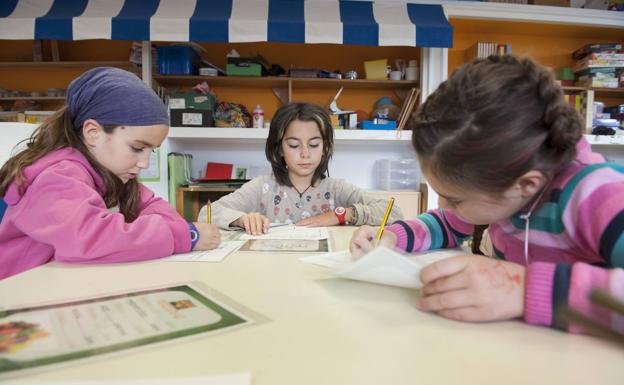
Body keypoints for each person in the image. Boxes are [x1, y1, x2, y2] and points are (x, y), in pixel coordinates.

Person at [350, 55, 624, 334]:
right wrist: (393, 236)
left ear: (526, 184)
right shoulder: (507, 189)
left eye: (455, 200)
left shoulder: (600, 195)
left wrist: (522, 290)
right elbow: (447, 224)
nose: (445, 206)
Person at [0, 67, 220, 279]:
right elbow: (91, 239)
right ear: (93, 133)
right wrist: (185, 236)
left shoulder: (111, 174)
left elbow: (154, 207)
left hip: (62, 285)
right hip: (19, 297)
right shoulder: (56, 179)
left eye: (151, 151)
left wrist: (172, 230)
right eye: (137, 148)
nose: (144, 163)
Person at [198, 102, 402, 234]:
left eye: (314, 145)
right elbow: (207, 213)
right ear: (279, 149)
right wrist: (241, 219)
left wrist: (342, 214)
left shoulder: (336, 189)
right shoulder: (263, 187)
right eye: (294, 145)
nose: (305, 153)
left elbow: (394, 212)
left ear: (325, 147)